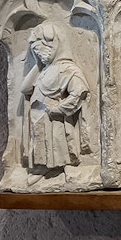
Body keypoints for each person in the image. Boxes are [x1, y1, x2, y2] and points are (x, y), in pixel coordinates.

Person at [20, 22, 91, 180]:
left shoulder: (67, 69)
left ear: (56, 45)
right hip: (38, 117)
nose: (39, 55)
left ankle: (66, 169)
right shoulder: (44, 69)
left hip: (54, 117)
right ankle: (45, 168)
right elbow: (25, 89)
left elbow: (79, 92)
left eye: (41, 51)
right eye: (36, 53)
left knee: (58, 143)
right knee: (42, 145)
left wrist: (59, 108)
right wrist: (38, 64)